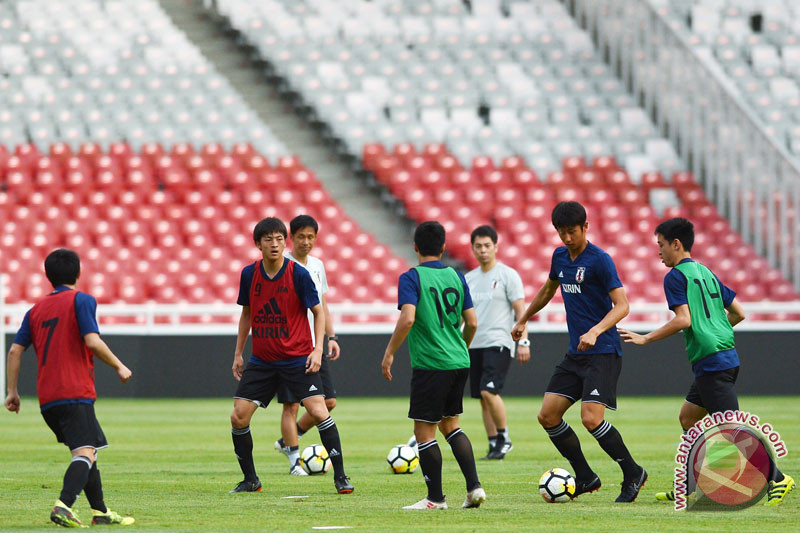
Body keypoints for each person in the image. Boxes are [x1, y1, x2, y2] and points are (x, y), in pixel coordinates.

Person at [619, 217, 794, 506]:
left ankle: (777, 478)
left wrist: (646, 338)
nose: (658, 252)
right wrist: (715, 331)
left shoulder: (675, 276)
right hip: (721, 358)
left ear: (676, 244)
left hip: (713, 362)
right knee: (688, 417)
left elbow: (683, 319)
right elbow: (739, 313)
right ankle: (688, 486)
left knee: (731, 431)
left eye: (661, 245)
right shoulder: (706, 272)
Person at [511, 201, 647, 503]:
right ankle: (585, 476)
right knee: (547, 415)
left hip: (604, 351)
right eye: (561, 233)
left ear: (586, 227)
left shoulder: (600, 260)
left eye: (572, 232)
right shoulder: (559, 256)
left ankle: (632, 472)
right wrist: (523, 318)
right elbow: (548, 290)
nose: (567, 238)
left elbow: (623, 305)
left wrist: (597, 330)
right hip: (576, 354)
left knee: (590, 419)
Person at [4, 248, 135, 528]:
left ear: (48, 277)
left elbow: (15, 351)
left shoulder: (35, 310)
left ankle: (100, 511)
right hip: (74, 391)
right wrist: (118, 365)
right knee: (85, 452)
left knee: (88, 451)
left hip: (47, 398)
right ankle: (63, 505)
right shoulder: (82, 300)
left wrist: (12, 392)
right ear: (78, 273)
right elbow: (92, 340)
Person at [229, 217, 353, 494]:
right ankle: (251, 480)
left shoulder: (299, 273)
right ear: (258, 244)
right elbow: (246, 314)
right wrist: (238, 353)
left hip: (297, 359)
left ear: (286, 242)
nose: (275, 244)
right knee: (238, 417)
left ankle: (341, 477)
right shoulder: (249, 274)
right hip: (261, 360)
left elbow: (318, 311)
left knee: (320, 411)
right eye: (268, 239)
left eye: (279, 239)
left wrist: (318, 349)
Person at [381, 221, 486, 510]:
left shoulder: (411, 277)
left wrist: (390, 352)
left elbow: (408, 318)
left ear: (415, 247)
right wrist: (460, 347)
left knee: (424, 432)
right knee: (451, 425)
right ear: (443, 247)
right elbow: (473, 322)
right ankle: (474, 487)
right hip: (458, 360)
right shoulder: (456, 275)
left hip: (431, 364)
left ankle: (436, 499)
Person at [273, 215, 341, 475]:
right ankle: (294, 462)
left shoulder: (317, 266)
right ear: (292, 237)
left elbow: (322, 304)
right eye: (301, 236)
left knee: (329, 402)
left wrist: (331, 337)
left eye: (310, 237)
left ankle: (291, 437)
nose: (306, 241)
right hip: (290, 346)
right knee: (291, 405)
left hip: (316, 345)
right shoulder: (282, 265)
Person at [465, 225, 530, 460]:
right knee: (482, 398)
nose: (483, 250)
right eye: (478, 246)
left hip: (499, 341)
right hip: (474, 344)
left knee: (488, 391)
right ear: (472, 248)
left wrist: (524, 342)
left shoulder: (508, 275)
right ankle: (494, 444)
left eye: (487, 246)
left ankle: (504, 438)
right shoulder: (469, 279)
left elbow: (520, 311)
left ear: (496, 247)